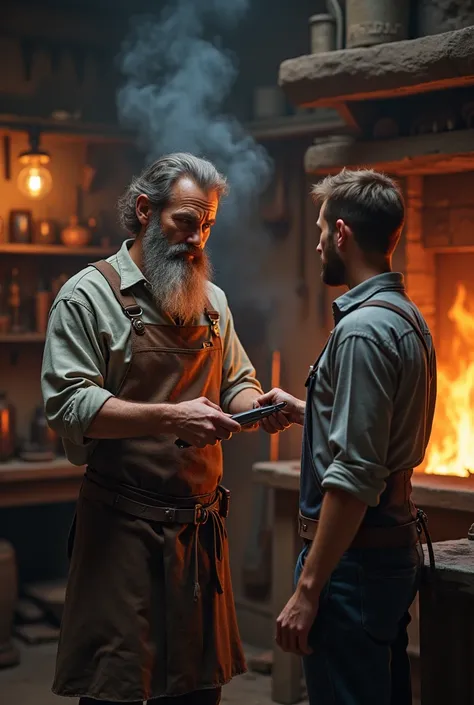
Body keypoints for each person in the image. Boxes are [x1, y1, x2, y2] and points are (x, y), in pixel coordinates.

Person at [41, 153, 286, 705]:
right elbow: (69, 405)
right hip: (121, 536)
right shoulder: (88, 297)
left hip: (198, 542)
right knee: (117, 689)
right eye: (185, 221)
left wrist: (259, 404)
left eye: (208, 225)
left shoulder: (213, 303)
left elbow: (237, 383)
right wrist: (174, 414)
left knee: (196, 696)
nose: (197, 237)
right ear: (145, 211)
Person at [256, 169, 437, 705]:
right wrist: (304, 410)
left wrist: (308, 591)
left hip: (350, 566)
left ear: (342, 234)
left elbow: (356, 474)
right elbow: (379, 431)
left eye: (318, 231)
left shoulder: (360, 330)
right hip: (384, 554)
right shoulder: (407, 317)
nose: (313, 244)